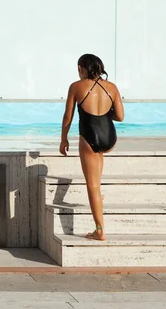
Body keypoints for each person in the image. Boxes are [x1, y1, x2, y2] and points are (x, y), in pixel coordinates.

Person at [59, 54, 125, 241]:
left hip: (89, 138)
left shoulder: (76, 87)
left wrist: (63, 140)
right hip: (109, 137)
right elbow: (120, 116)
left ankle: (99, 230)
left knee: (92, 184)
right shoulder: (111, 88)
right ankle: (97, 197)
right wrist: (102, 115)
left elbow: (67, 117)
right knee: (96, 179)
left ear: (81, 68)